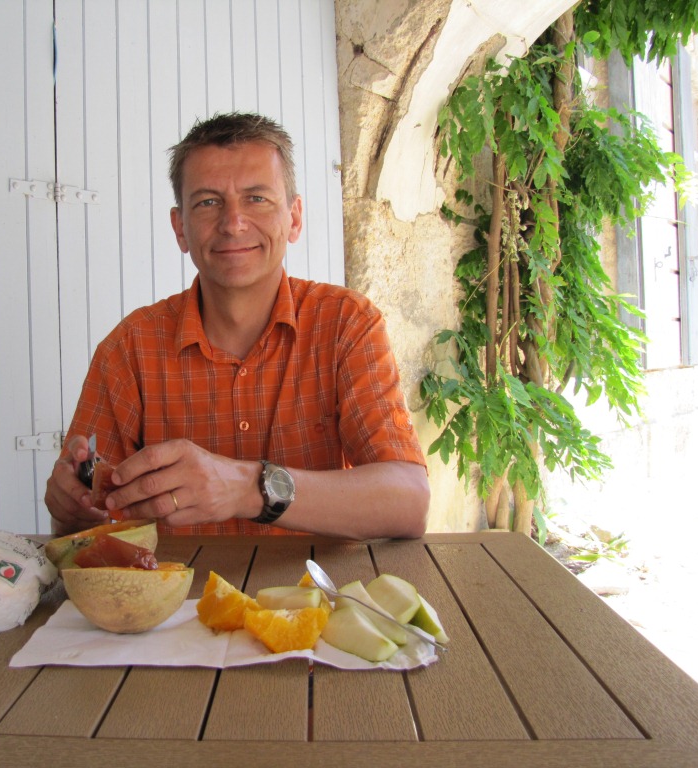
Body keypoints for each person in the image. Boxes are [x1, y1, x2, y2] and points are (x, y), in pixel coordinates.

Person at [45, 112, 429, 540]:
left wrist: (250, 489)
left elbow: (409, 503)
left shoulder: (345, 324)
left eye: (257, 199)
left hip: (315, 602)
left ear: (294, 217)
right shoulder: (130, 348)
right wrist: (71, 510)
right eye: (208, 202)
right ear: (180, 228)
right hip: (177, 605)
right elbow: (82, 522)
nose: (233, 223)